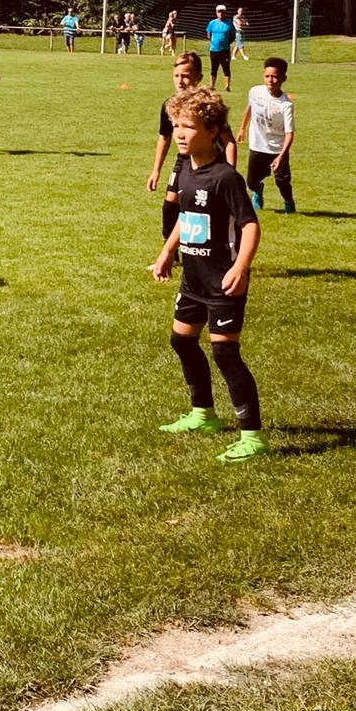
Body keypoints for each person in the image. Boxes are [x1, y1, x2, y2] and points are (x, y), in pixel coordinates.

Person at [149, 87, 267, 463]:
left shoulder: (225, 177)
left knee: (225, 352)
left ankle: (252, 437)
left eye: (188, 127)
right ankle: (203, 414)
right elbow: (187, 216)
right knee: (182, 341)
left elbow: (250, 226)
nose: (180, 134)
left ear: (212, 130)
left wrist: (240, 267)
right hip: (194, 279)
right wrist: (167, 252)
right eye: (176, 126)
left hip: (222, 281)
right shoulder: (186, 169)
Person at [150, 51, 237, 239]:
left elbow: (229, 141)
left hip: (209, 162)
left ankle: (215, 245)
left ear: (199, 77)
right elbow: (164, 138)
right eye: (176, 76)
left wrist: (230, 171)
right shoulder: (170, 106)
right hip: (185, 160)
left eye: (185, 76)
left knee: (205, 207)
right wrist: (156, 170)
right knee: (170, 204)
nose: (180, 81)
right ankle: (170, 249)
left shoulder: (208, 107)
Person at [238, 57, 296, 213]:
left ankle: (289, 203)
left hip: (277, 149)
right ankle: (258, 191)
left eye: (275, 76)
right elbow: (249, 108)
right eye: (267, 76)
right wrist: (242, 128)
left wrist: (281, 155)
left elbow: (289, 133)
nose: (270, 80)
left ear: (283, 78)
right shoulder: (255, 91)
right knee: (251, 182)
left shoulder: (286, 104)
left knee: (282, 181)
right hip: (257, 146)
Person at [205, 4, 236, 90]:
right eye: (219, 12)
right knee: (213, 69)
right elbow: (209, 34)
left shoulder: (229, 24)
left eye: (222, 12)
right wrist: (214, 42)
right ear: (216, 13)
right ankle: (212, 86)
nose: (221, 13)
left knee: (226, 69)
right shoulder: (212, 23)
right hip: (214, 50)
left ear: (225, 12)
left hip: (225, 50)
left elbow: (233, 36)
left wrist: (226, 43)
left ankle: (227, 87)